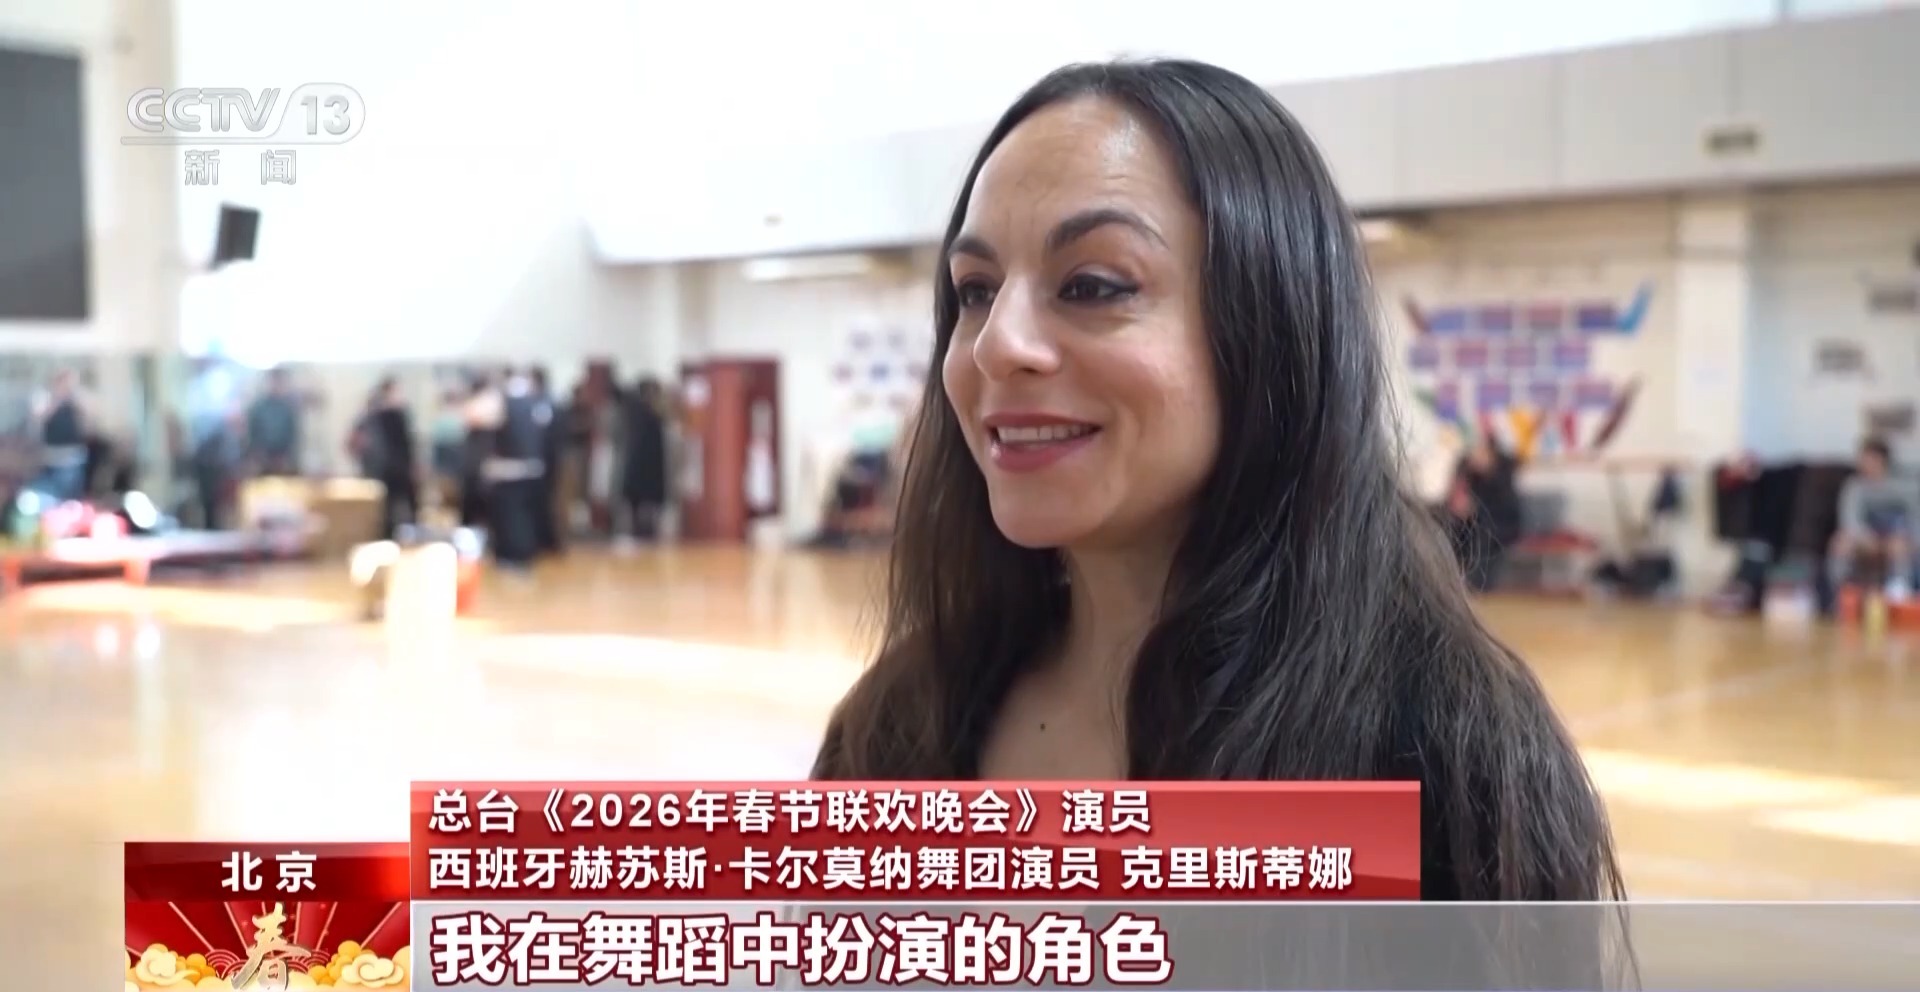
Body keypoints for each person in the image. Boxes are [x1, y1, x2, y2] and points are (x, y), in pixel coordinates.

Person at [810, 61, 1623, 914]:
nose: (994, 344)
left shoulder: (1446, 759)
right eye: (975, 291)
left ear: (1269, 328)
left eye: (1092, 285)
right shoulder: (894, 729)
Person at [1831, 436, 1918, 601]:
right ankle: (1842, 594)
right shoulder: (1854, 486)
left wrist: (1912, 539)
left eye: (1869, 459)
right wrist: (1865, 537)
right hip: (1866, 539)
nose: (1863, 464)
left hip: (1897, 539)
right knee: (1840, 543)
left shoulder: (1905, 487)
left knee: (1899, 547)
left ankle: (1899, 595)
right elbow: (1849, 519)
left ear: (1882, 460)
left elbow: (1915, 516)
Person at [1446, 436, 1524, 592]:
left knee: (1482, 534)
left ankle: (1476, 584)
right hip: (1474, 521)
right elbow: (1457, 495)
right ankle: (1451, 578)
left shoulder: (1503, 474)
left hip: (1501, 523)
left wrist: (1474, 509)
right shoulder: (1469, 470)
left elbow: (1501, 507)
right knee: (1452, 527)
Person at [362, 377, 419, 540]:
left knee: (397, 507)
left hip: (389, 468)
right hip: (392, 468)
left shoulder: (375, 414)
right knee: (392, 508)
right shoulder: (387, 415)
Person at [619, 377, 670, 542]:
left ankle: (647, 530)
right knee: (638, 501)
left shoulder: (651, 412)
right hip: (640, 462)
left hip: (650, 463)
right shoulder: (637, 410)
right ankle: (639, 530)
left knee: (648, 502)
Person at [31, 370, 89, 500]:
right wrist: (57, 399)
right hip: (52, 455)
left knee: (72, 496)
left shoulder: (76, 399)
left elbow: (87, 418)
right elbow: (40, 418)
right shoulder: (45, 397)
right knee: (52, 495)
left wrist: (75, 399)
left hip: (73, 454)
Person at [244, 368, 303, 476]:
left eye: (279, 382)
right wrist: (257, 456)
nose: (276, 385)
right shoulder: (258, 407)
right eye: (274, 381)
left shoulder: (288, 408)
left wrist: (286, 458)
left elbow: (293, 435)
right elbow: (252, 434)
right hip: (261, 460)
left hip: (282, 460)